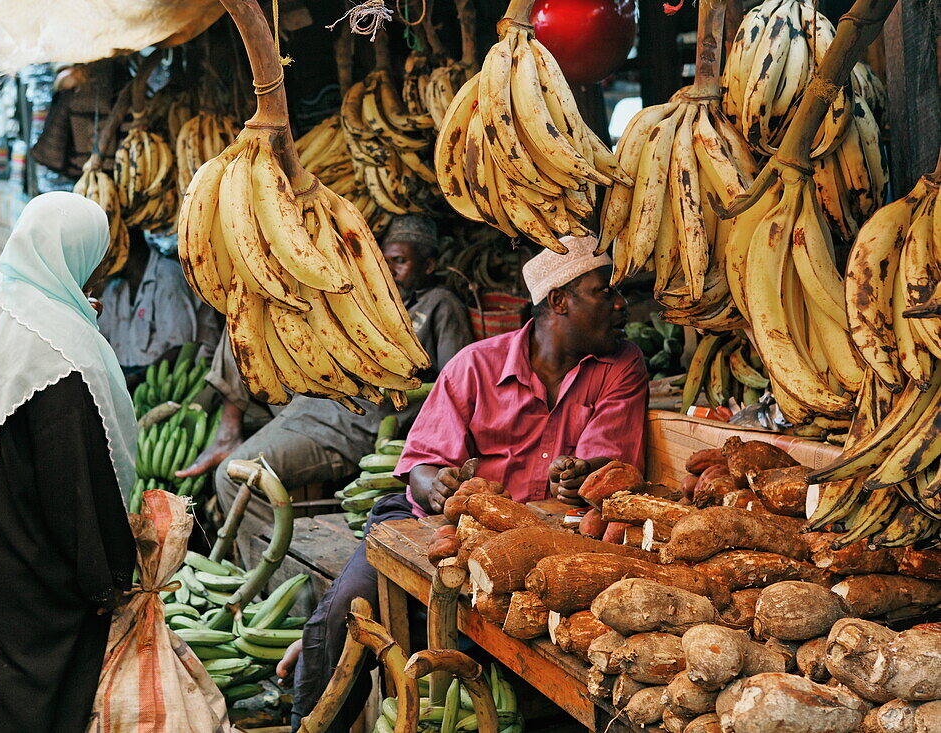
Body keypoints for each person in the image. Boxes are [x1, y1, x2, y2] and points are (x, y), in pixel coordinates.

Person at [288, 236, 650, 732]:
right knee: (343, 614)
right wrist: (435, 485)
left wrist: (581, 480)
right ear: (559, 301)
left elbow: (606, 466)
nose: (620, 303)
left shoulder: (621, 366)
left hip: (546, 545)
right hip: (436, 528)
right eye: (603, 292)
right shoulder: (475, 366)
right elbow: (420, 466)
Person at [0, 192, 137, 732]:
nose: (92, 280)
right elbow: (74, 487)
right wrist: (108, 578)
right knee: (41, 686)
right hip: (32, 543)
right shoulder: (57, 352)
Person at [177, 215, 474, 546]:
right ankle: (227, 431)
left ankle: (278, 571)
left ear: (429, 265)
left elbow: (454, 388)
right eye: (384, 261)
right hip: (311, 400)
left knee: (232, 476)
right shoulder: (365, 298)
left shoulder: (440, 305)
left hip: (348, 426)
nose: (388, 270)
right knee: (248, 309)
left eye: (400, 262)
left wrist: (396, 388)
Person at [96, 227, 221, 385]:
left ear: (128, 248)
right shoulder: (115, 289)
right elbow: (100, 337)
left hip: (176, 380)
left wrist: (136, 380)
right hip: (132, 380)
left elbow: (181, 349)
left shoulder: (168, 277)